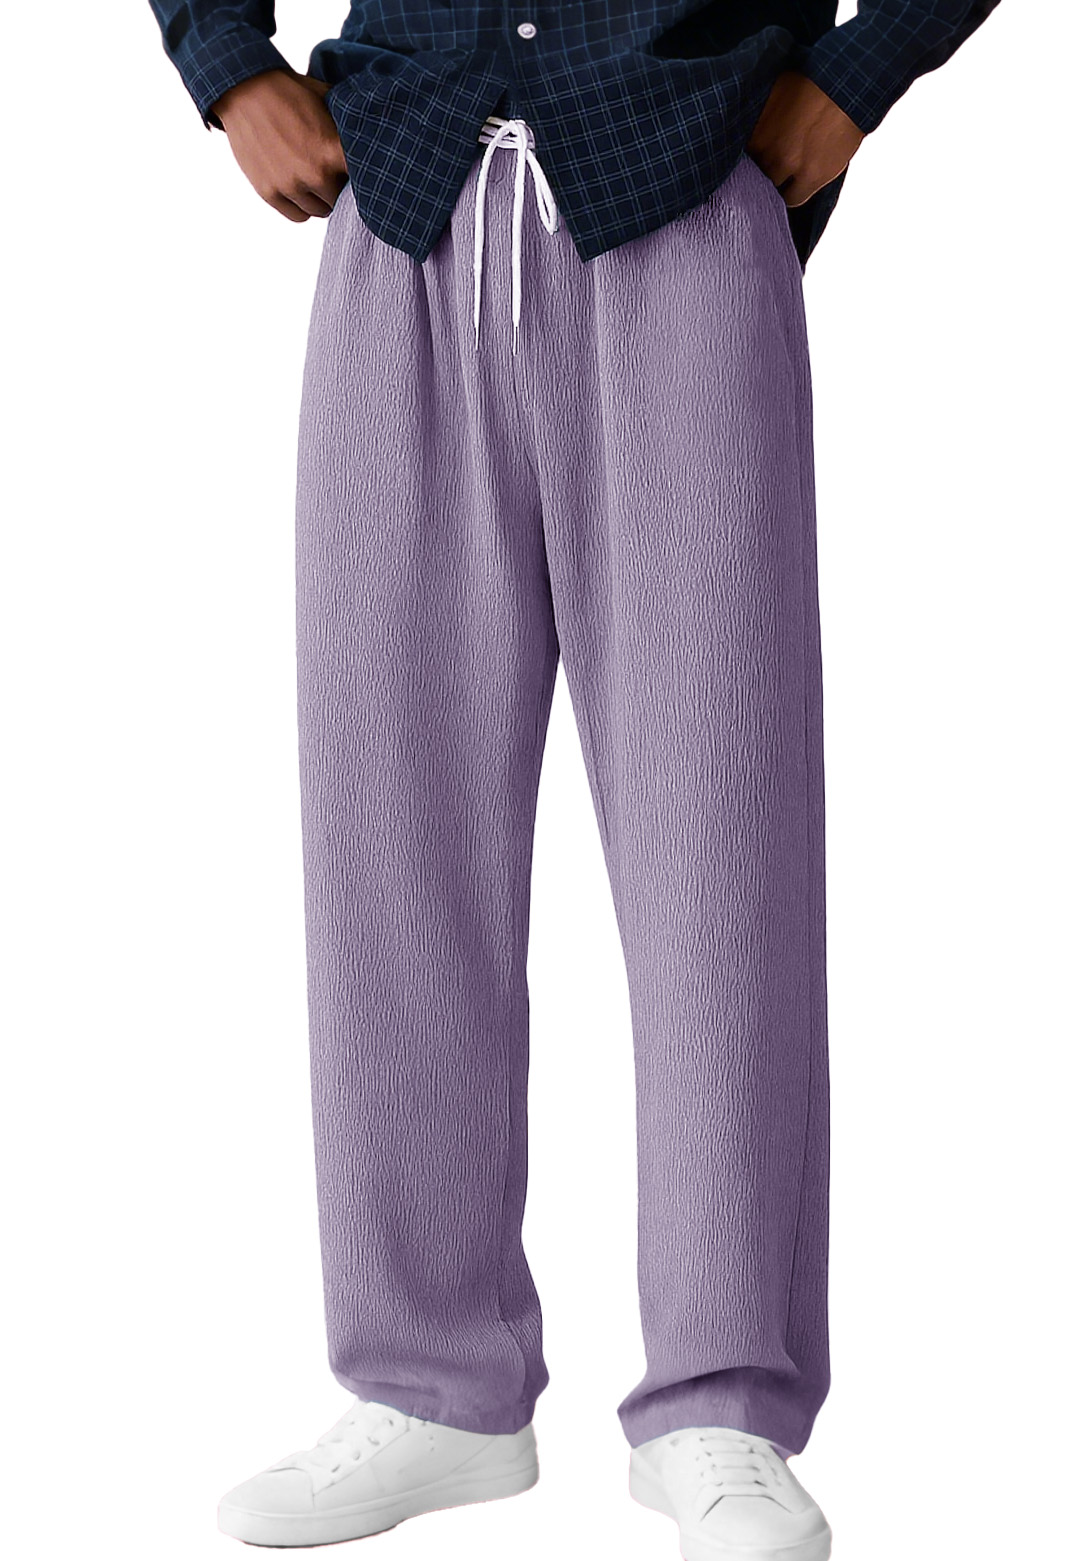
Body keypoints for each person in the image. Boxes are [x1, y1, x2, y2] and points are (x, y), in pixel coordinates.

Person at [148, 3, 999, 1556]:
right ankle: (432, 1381)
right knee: (389, 838)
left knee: (715, 847)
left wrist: (858, 78)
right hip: (404, 215)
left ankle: (721, 1400)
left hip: (680, 200)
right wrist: (224, 65)